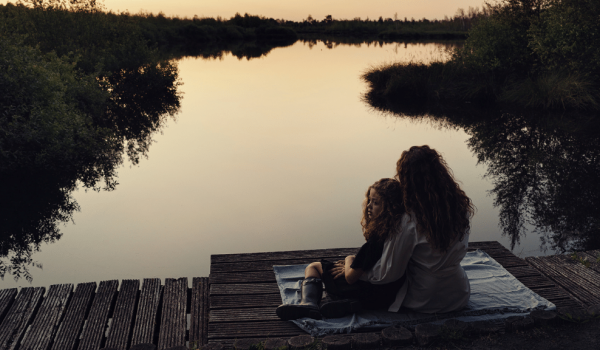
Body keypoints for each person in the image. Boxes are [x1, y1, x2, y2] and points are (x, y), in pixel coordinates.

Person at [276, 145, 475, 320]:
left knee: (342, 281)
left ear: (409, 181)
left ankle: (327, 301)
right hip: (458, 293)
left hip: (426, 298)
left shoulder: (409, 221)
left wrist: (352, 266)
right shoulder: (459, 207)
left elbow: (386, 275)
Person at [276, 178, 407, 320]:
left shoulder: (375, 242)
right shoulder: (396, 233)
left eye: (375, 203)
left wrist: (349, 260)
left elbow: (350, 278)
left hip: (364, 290)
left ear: (389, 208)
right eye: (369, 200)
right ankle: (350, 304)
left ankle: (308, 304)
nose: (368, 206)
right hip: (384, 296)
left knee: (314, 267)